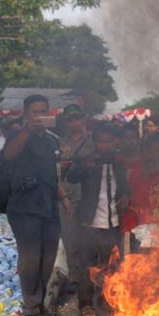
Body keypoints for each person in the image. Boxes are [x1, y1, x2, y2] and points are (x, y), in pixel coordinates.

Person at [1, 94, 68, 316]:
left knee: (48, 259)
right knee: (30, 260)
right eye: (35, 111)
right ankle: (32, 309)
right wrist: (27, 131)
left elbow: (54, 171)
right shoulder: (16, 135)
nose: (40, 115)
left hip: (49, 205)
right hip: (24, 207)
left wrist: (63, 196)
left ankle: (39, 304)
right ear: (26, 113)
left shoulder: (52, 140)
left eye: (43, 111)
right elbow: (6, 157)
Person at [66, 123, 129, 316]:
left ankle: (105, 304)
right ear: (95, 142)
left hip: (113, 222)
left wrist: (125, 195)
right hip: (89, 222)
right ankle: (85, 304)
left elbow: (126, 186)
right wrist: (85, 165)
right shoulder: (88, 160)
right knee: (87, 267)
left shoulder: (119, 162)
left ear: (114, 142)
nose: (104, 145)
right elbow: (72, 177)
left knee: (110, 267)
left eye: (108, 141)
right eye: (101, 141)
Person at [57, 104, 92, 303]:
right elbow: (53, 173)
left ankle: (91, 281)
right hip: (67, 199)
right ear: (65, 121)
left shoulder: (94, 142)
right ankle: (76, 281)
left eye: (77, 118)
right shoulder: (59, 144)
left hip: (90, 200)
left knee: (90, 243)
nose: (74, 122)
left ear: (84, 119)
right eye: (70, 119)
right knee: (71, 243)